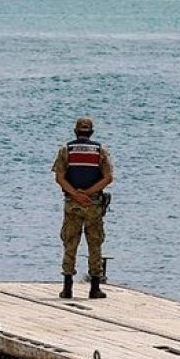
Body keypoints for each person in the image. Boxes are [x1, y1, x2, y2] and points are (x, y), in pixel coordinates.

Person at [52, 117, 114, 299]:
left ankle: (67, 287)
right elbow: (108, 177)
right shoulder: (100, 151)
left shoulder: (66, 150)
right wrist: (88, 193)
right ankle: (95, 287)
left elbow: (59, 177)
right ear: (92, 132)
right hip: (93, 203)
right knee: (95, 244)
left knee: (70, 243)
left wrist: (76, 194)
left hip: (72, 203)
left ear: (75, 132)